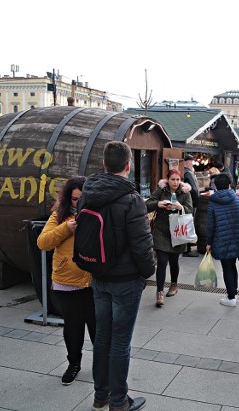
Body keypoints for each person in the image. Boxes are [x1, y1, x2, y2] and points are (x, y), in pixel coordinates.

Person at [79, 141, 156, 411]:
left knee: (102, 337)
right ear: (128, 165)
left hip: (98, 275)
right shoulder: (131, 199)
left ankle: (100, 395)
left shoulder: (88, 192)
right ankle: (119, 400)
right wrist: (149, 271)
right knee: (120, 341)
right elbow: (141, 243)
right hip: (125, 280)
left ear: (104, 164)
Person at [37, 176, 96, 386]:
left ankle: (101, 366)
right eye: (74, 199)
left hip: (93, 282)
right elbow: (43, 242)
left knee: (98, 328)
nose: (77, 204)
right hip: (66, 282)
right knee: (73, 327)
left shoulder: (98, 215)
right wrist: (66, 228)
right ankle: (74, 364)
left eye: (82, 199)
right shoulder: (59, 215)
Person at [146, 169, 193, 307]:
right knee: (161, 262)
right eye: (173, 179)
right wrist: (158, 204)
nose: (175, 182)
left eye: (178, 179)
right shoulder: (161, 191)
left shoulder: (185, 193)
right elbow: (147, 205)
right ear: (168, 180)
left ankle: (174, 285)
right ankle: (159, 292)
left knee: (174, 261)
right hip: (161, 232)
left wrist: (180, 207)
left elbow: (190, 210)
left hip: (178, 232)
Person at [206, 173, 239, 307]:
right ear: (229, 185)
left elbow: (210, 225)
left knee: (227, 267)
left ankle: (231, 297)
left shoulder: (212, 201)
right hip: (236, 237)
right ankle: (233, 294)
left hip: (221, 239)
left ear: (216, 187)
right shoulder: (237, 200)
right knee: (232, 265)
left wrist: (208, 242)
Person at [182, 154, 200, 257]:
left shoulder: (187, 172)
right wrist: (197, 201)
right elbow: (195, 189)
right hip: (191, 202)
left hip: (188, 202)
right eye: (191, 161)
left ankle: (186, 248)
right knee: (189, 225)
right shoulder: (188, 173)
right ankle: (187, 249)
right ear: (187, 162)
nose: (192, 163)